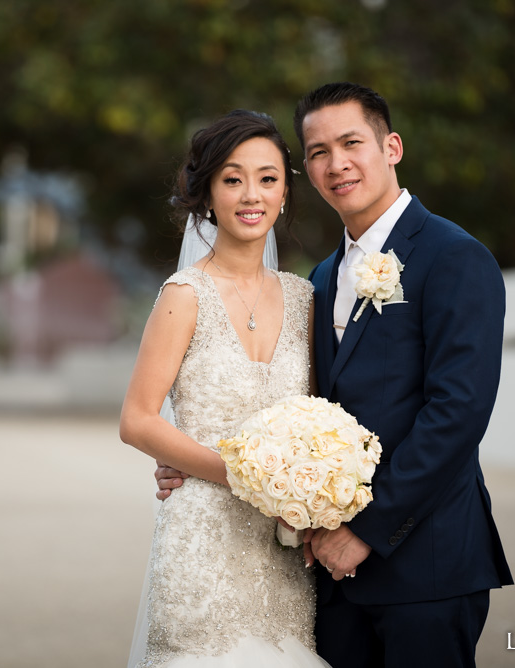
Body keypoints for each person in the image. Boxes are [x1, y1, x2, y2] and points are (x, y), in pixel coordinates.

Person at [157, 82, 514, 668]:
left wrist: (368, 530)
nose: (336, 163)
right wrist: (198, 460)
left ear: (391, 147)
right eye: (318, 151)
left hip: (425, 561)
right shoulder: (317, 281)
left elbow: (458, 413)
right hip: (327, 576)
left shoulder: (455, 257)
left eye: (351, 143)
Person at [120, 110, 331, 667]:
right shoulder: (184, 295)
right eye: (232, 179)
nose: (251, 194)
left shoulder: (306, 298)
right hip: (202, 545)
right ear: (208, 194)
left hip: (281, 549)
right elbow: (138, 420)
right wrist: (245, 475)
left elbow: (318, 417)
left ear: (286, 191)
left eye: (267, 178)